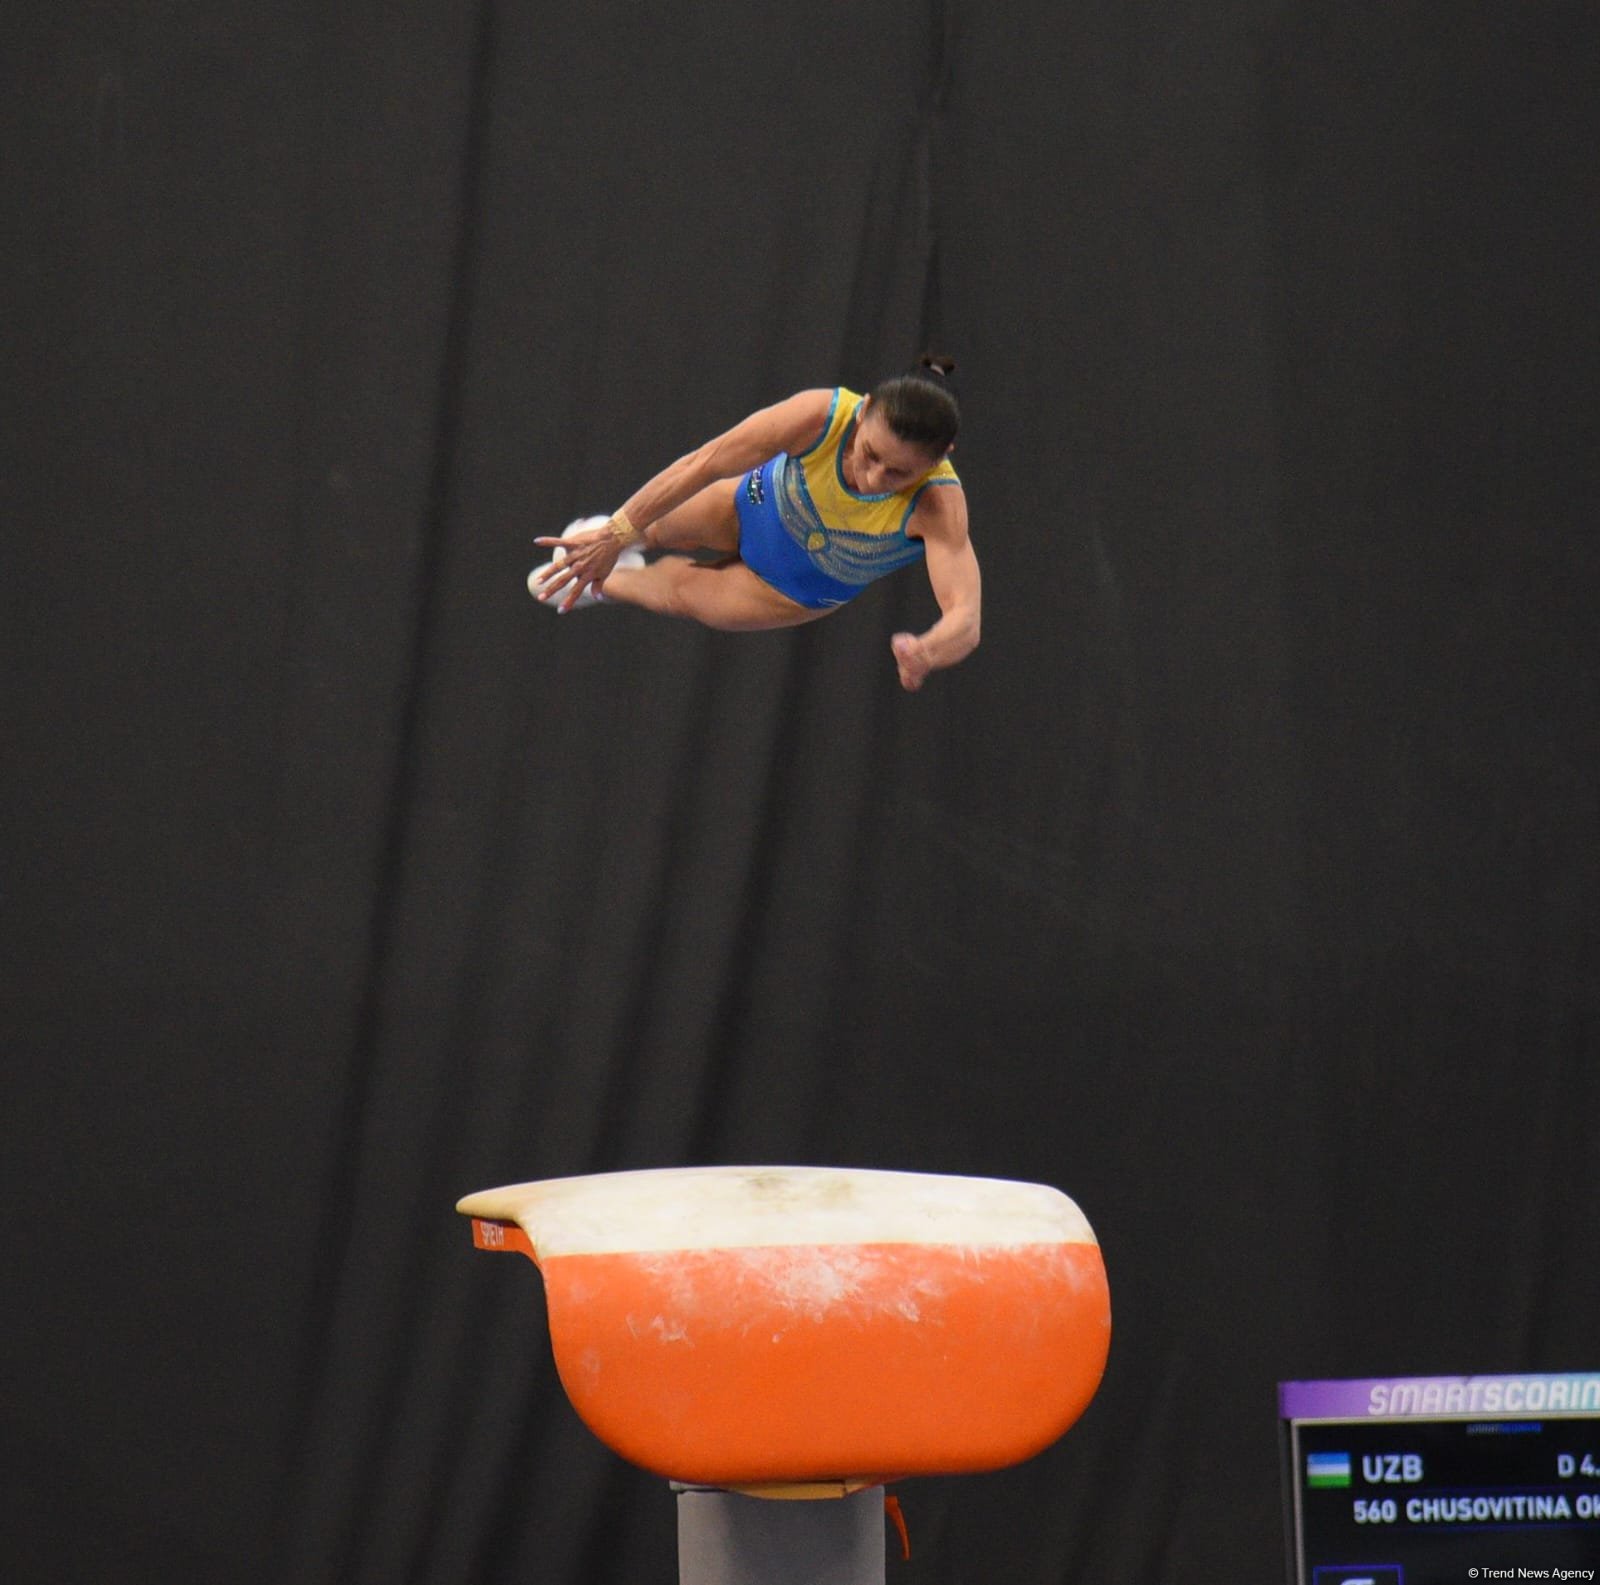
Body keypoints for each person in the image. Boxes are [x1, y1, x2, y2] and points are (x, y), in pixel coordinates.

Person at [529, 356, 980, 692]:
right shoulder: (818, 416)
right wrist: (616, 534)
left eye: (899, 473)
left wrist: (928, 651)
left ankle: (607, 584)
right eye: (870, 454)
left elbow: (965, 616)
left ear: (942, 458)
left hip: (793, 587)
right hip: (752, 506)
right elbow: (703, 464)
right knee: (658, 525)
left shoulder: (939, 507)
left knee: (685, 595)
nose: (873, 478)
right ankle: (612, 543)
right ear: (861, 413)